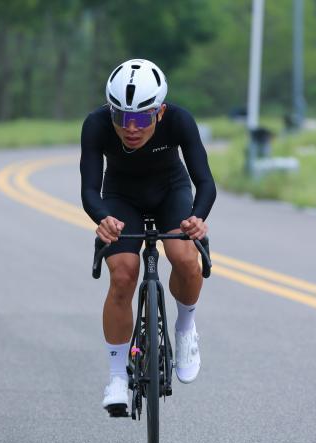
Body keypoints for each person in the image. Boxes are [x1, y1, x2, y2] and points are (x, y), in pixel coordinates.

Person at [80, 58, 216, 412]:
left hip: (170, 190)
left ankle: (185, 328)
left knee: (185, 257)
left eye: (141, 118)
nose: (131, 128)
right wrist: (102, 218)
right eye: (121, 117)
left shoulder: (180, 121)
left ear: (160, 111)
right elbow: (90, 190)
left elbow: (205, 182)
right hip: (120, 196)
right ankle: (116, 377)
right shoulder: (96, 125)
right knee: (123, 273)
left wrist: (198, 218)